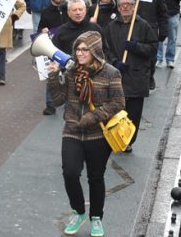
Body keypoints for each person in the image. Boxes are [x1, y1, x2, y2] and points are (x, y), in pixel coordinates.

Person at [47, 31, 125, 237]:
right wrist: (54, 77)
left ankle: (96, 218)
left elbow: (118, 103)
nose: (79, 53)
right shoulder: (71, 71)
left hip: (98, 134)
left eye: (84, 49)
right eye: (77, 49)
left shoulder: (111, 73)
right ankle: (79, 211)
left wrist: (92, 117)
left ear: (95, 51)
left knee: (95, 177)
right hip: (72, 130)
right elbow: (57, 101)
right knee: (70, 173)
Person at [102, 0, 158, 151]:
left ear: (134, 7)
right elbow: (106, 50)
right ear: (118, 8)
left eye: (129, 4)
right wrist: (114, 62)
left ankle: (127, 141)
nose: (125, 7)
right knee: (115, 110)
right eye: (122, 5)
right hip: (117, 76)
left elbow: (153, 48)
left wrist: (136, 47)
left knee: (133, 113)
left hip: (137, 77)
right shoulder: (111, 27)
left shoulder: (143, 25)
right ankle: (115, 138)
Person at [43, 0, 102, 116]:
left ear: (85, 11)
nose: (78, 12)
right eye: (74, 10)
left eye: (80, 9)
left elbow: (105, 51)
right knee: (74, 113)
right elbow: (52, 53)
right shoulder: (61, 31)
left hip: (94, 77)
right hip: (71, 79)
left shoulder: (95, 28)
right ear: (69, 13)